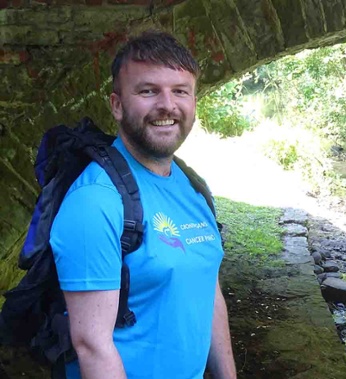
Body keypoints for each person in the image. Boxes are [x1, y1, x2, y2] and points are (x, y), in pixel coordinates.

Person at [49, 30, 237, 379]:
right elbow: (92, 346)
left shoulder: (193, 186)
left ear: (194, 102)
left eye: (180, 91)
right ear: (117, 105)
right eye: (149, 91)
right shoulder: (94, 202)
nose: (167, 105)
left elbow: (205, 288)